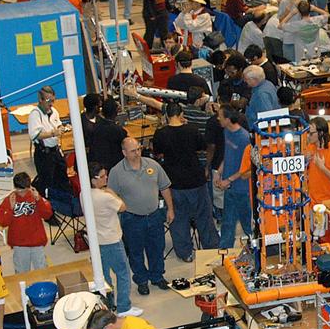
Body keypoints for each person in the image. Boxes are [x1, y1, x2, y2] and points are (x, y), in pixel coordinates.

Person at [152, 102, 219, 262]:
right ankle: (212, 248)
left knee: (178, 220)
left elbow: (158, 153)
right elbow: (202, 147)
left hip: (173, 182)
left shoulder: (161, 133)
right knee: (204, 216)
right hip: (195, 179)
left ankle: (185, 253)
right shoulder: (192, 130)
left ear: (167, 115)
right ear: (181, 114)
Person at [109, 138, 174, 295]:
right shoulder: (117, 172)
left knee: (157, 248)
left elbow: (164, 187)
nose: (137, 153)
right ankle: (142, 280)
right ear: (124, 152)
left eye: (138, 149)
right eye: (133, 151)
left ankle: (157, 276)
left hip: (154, 215)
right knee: (135, 252)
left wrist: (170, 209)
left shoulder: (152, 165)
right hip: (132, 219)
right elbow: (111, 195)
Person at [83, 162, 140, 317]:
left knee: (103, 276)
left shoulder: (84, 194)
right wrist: (111, 192)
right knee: (122, 273)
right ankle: (124, 307)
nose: (105, 178)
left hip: (96, 241)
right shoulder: (105, 197)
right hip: (112, 240)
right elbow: (122, 207)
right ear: (93, 180)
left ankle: (107, 306)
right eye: (102, 176)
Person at [0, 172, 52, 274]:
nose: (21, 194)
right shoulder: (9, 199)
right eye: (19, 191)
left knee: (42, 272)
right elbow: (2, 222)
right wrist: (10, 209)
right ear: (15, 188)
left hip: (37, 242)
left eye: (24, 191)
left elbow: (47, 214)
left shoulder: (35, 197)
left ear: (29, 187)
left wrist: (39, 200)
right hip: (19, 245)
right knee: (21, 274)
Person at [215, 109, 254, 248]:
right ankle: (224, 253)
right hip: (230, 187)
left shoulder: (244, 138)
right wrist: (219, 172)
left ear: (227, 119)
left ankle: (257, 249)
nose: (218, 118)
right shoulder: (226, 132)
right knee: (227, 222)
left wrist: (229, 180)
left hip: (242, 189)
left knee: (247, 224)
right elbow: (227, 155)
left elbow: (248, 167)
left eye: (220, 116)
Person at [27, 86, 69, 196]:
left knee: (62, 179)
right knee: (47, 183)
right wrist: (52, 133)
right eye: (48, 100)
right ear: (40, 99)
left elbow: (57, 124)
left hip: (56, 151)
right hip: (44, 154)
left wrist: (61, 128)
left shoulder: (54, 111)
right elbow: (35, 135)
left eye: (53, 100)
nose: (51, 103)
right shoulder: (35, 114)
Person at [243, 64, 281, 129]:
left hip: (258, 129)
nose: (244, 81)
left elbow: (266, 118)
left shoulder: (261, 95)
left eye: (246, 79)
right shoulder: (268, 84)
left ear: (254, 80)